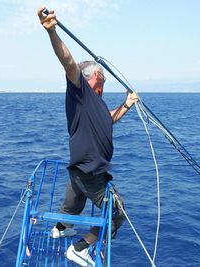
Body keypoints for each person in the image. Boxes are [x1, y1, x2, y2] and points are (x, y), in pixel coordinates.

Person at [37, 7, 139, 267]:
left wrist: (127, 104)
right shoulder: (80, 92)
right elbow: (69, 62)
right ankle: (80, 248)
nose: (104, 81)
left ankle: (60, 228)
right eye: (101, 77)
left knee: (72, 209)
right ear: (94, 77)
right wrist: (52, 31)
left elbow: (109, 119)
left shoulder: (98, 106)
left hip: (79, 172)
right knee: (116, 214)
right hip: (92, 174)